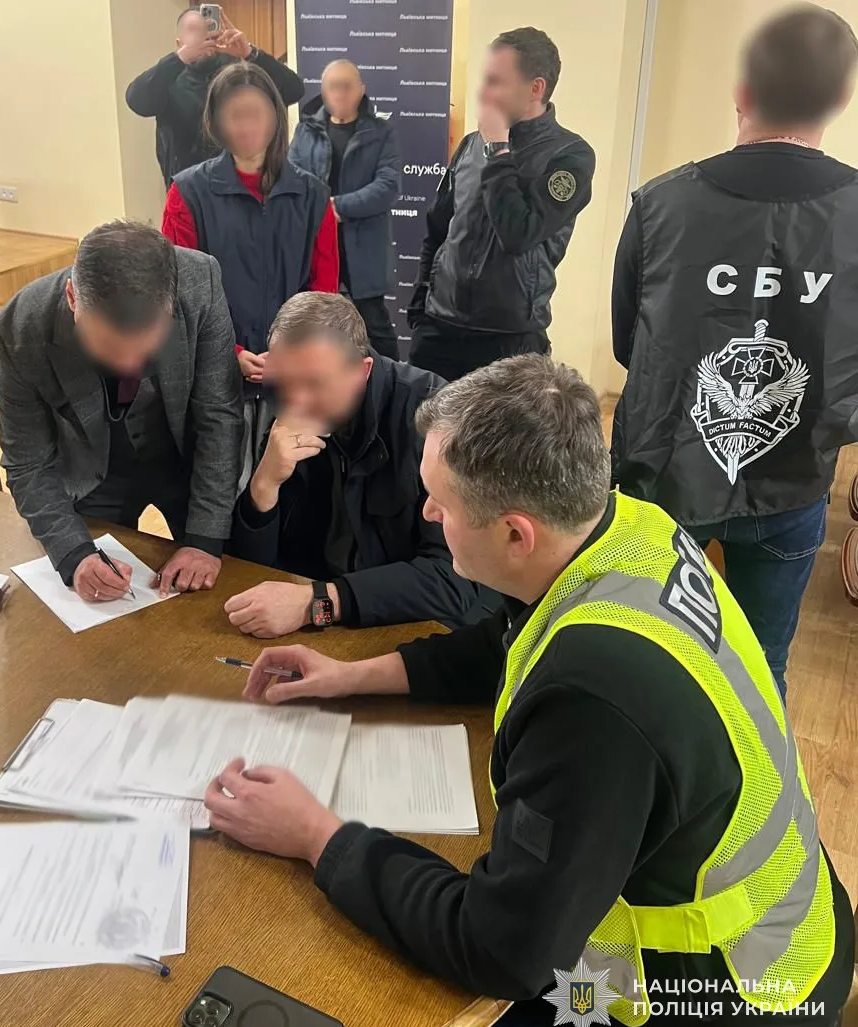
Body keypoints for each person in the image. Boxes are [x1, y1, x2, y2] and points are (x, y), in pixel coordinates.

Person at [203, 354, 854, 1027]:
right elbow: (513, 638)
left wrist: (316, 836)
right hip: (789, 928)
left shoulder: (594, 698)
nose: (428, 514)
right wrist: (349, 676)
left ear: (516, 534)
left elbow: (499, 950)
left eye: (441, 502)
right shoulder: (627, 528)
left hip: (714, 1010)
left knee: (373, 1021)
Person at [611, 3, 858, 701]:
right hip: (795, 480)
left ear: (741, 91)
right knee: (759, 670)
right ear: (840, 100)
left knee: (647, 655)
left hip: (665, 476)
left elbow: (630, 346)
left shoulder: (661, 205)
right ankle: (751, 770)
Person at [0, 221, 243, 602]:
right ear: (73, 298)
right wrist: (74, 555)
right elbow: (27, 463)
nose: (128, 365)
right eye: (109, 348)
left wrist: (205, 540)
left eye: (145, 349)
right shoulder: (20, 328)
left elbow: (219, 416)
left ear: (171, 304)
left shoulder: (200, 282)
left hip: (185, 459)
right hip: (93, 471)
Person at [224, 292, 479, 635]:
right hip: (319, 617)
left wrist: (319, 602)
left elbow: (455, 580)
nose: (297, 401)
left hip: (405, 626)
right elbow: (250, 567)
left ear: (362, 370)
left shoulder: (434, 423)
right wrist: (263, 485)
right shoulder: (288, 409)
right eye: (285, 382)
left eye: (314, 384)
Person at [162, 62, 338, 488]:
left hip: (291, 377)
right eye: (234, 115)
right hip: (215, 375)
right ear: (216, 121)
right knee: (221, 490)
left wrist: (292, 351)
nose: (247, 126)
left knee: (289, 491)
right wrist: (232, 352)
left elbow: (324, 291)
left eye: (256, 112)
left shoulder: (312, 195)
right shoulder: (188, 192)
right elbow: (178, 293)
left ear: (276, 116)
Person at [407, 28, 594, 381]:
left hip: (510, 341)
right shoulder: (470, 145)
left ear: (535, 88)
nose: (483, 92)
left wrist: (497, 150)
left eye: (496, 82)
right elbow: (438, 227)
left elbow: (519, 232)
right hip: (439, 329)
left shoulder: (570, 156)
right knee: (422, 419)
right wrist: (420, 306)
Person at [289, 59, 402, 361]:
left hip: (363, 246)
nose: (339, 93)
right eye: (333, 86)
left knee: (373, 323)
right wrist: (319, 211)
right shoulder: (305, 131)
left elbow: (388, 186)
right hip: (314, 243)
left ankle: (392, 382)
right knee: (313, 320)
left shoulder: (381, 132)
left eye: (347, 85)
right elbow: (293, 180)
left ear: (361, 89)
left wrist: (337, 207)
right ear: (323, 90)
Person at [125, 6, 304, 185]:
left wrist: (250, 53)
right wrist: (178, 59)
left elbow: (293, 91)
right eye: (193, 30)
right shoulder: (168, 79)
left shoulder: (239, 74)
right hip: (186, 189)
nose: (202, 36)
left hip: (242, 188)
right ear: (179, 44)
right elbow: (137, 101)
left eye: (208, 28)